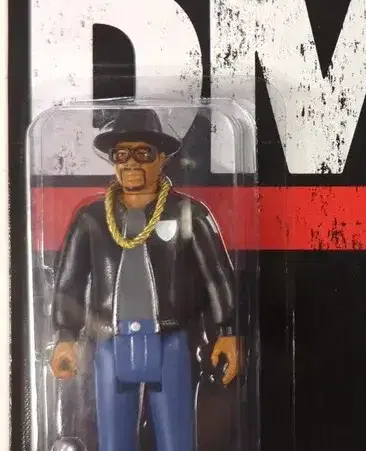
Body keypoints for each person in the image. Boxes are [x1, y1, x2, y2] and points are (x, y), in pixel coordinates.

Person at [50, 108, 238, 451]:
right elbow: (70, 280)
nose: (132, 163)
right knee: (114, 439)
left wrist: (227, 331)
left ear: (161, 157)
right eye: (122, 155)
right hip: (110, 342)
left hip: (171, 341)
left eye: (143, 153)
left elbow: (216, 274)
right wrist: (65, 335)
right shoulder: (92, 219)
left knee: (176, 437)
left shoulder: (188, 213)